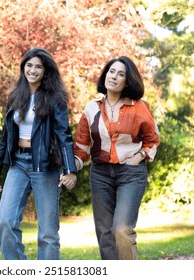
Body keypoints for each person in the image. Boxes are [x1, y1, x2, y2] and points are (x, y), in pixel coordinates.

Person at [0, 47, 77, 260]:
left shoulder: (55, 98)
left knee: (48, 232)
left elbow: (64, 134)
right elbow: (6, 135)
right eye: (29, 65)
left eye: (38, 66)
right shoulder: (15, 97)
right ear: (23, 68)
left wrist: (70, 170)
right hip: (18, 165)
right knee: (5, 222)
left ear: (45, 71)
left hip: (46, 167)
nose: (33, 70)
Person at [73, 56, 160, 260]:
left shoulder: (139, 107)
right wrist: (72, 167)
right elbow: (82, 146)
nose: (114, 76)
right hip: (100, 174)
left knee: (121, 229)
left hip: (130, 173)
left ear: (127, 82)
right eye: (112, 71)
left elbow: (153, 140)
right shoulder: (91, 108)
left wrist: (139, 156)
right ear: (105, 74)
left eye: (121, 74)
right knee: (104, 234)